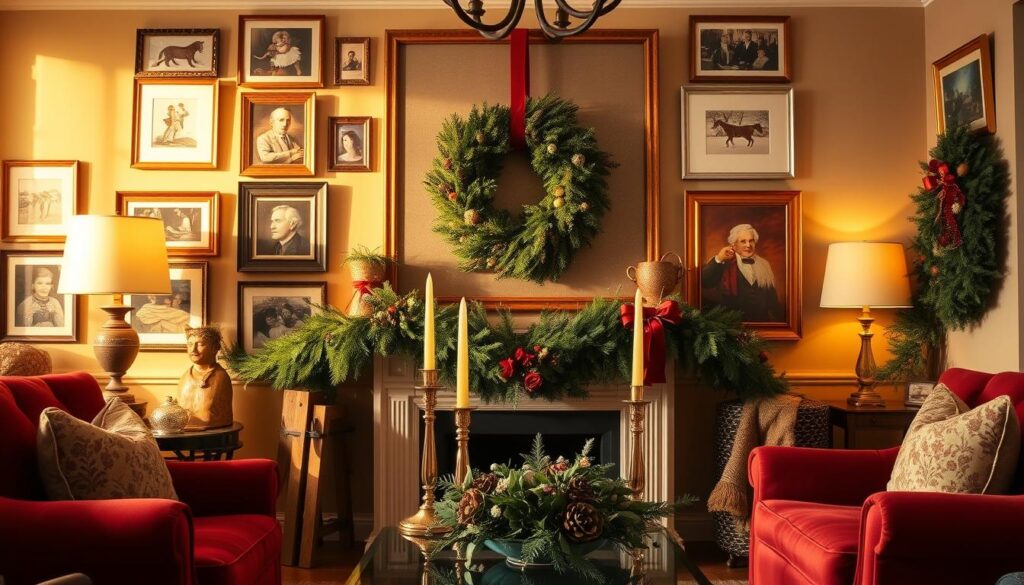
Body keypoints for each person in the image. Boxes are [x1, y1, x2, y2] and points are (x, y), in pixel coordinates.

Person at [700, 223, 781, 322]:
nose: (748, 245)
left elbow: (771, 298)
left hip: (761, 323)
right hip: (732, 324)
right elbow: (705, 282)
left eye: (751, 241)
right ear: (734, 245)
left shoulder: (765, 265)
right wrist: (719, 258)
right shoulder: (723, 261)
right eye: (743, 241)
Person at [176, 326, 233, 430]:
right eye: (190, 344)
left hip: (212, 430)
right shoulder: (185, 376)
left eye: (200, 344)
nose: (193, 349)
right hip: (185, 429)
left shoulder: (220, 377)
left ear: (215, 348)